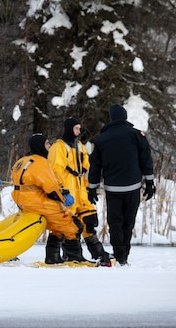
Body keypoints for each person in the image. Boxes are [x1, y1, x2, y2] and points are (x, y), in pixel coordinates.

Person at [88, 104, 155, 266]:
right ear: (125, 117)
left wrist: (92, 187)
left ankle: (120, 254)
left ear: (111, 118)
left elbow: (95, 166)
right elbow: (146, 159)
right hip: (133, 187)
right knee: (128, 222)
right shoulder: (137, 135)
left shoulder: (101, 139)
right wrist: (150, 182)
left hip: (113, 189)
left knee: (115, 222)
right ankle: (124, 254)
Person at [12, 134, 85, 263]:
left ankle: (53, 257)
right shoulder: (41, 163)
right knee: (73, 225)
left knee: (58, 228)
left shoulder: (22, 161)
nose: (49, 146)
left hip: (24, 203)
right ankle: (74, 258)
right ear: (40, 146)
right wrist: (64, 198)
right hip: (38, 203)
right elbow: (51, 189)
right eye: (46, 144)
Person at [48, 117, 111, 265]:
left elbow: (86, 168)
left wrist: (91, 188)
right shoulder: (59, 148)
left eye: (79, 128)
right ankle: (69, 254)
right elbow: (54, 171)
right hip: (67, 192)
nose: (79, 131)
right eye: (76, 128)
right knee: (68, 225)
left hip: (81, 191)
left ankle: (98, 253)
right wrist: (62, 191)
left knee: (89, 220)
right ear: (69, 129)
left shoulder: (80, 146)